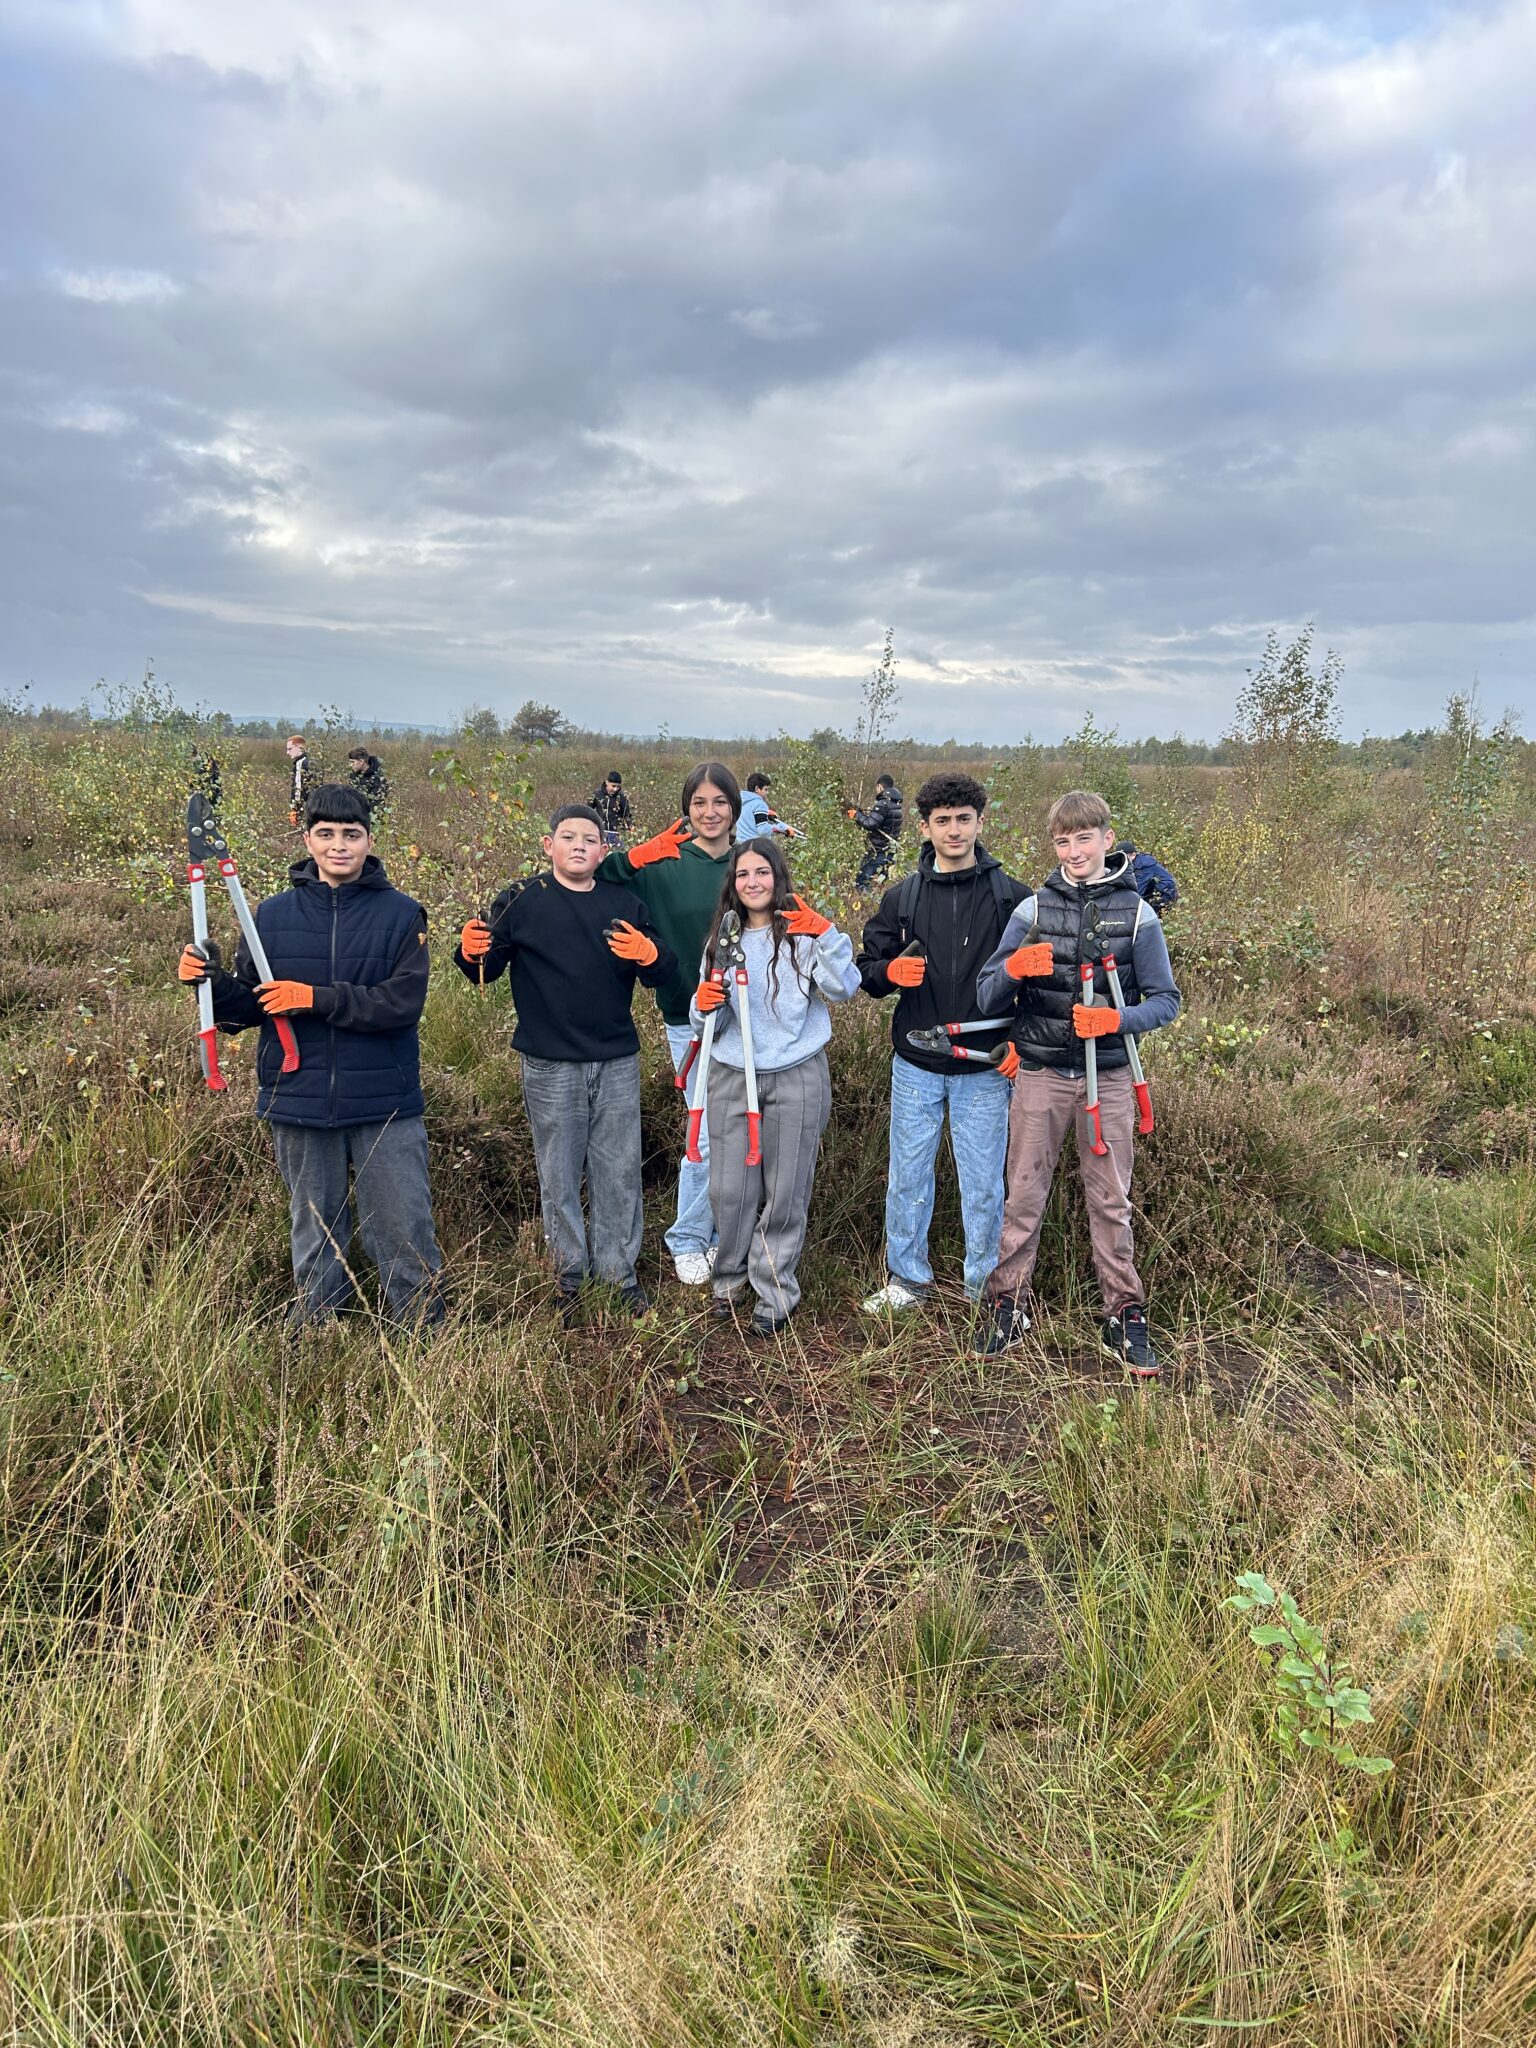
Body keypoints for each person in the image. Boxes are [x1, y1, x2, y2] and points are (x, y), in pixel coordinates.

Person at [177, 783, 443, 1333]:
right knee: (314, 1227)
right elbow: (251, 1007)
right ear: (307, 840)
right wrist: (210, 984)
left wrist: (316, 998)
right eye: (326, 834)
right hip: (298, 1096)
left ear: (369, 840)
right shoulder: (271, 917)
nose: (338, 845)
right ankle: (318, 1332)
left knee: (402, 1225)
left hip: (384, 1101)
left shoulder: (401, 915)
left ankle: (424, 1333)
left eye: (351, 834)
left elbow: (401, 1004)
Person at [972, 789, 1180, 1372]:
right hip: (1039, 1075)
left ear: (1107, 839)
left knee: (1111, 1201)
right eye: (1062, 841)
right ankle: (1009, 1304)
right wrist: (1014, 968)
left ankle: (1124, 1313)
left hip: (1107, 1079)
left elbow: (1166, 1001)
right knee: (1023, 1196)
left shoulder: (1138, 914)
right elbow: (987, 994)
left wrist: (1117, 1020)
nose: (1073, 851)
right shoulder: (1032, 911)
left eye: (1084, 838)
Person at [454, 805, 675, 1322]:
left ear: (603, 851)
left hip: (615, 1059)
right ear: (548, 845)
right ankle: (568, 1276)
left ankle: (618, 1274)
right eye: (568, 837)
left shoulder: (624, 902)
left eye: (590, 839)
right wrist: (469, 950)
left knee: (618, 1170)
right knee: (558, 1172)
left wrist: (649, 953)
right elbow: (485, 964)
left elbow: (663, 969)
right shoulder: (522, 899)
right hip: (550, 1063)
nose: (579, 845)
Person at [856, 772, 1030, 1313]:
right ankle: (907, 1280)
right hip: (916, 1064)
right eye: (942, 820)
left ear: (980, 821)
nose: (954, 830)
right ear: (925, 827)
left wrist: (1021, 1041)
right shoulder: (901, 899)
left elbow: (1043, 984)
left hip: (986, 1067)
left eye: (963, 819)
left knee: (984, 1184)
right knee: (908, 1176)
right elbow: (867, 971)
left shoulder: (1014, 900)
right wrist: (890, 972)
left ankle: (987, 1289)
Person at [689, 839, 859, 1335]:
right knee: (730, 1189)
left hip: (796, 1073)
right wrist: (703, 1004)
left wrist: (826, 933)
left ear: (777, 877)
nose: (753, 882)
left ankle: (775, 1291)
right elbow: (709, 1022)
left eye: (762, 872)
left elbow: (844, 987)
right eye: (743, 874)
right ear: (733, 883)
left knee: (785, 1189)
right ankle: (728, 1281)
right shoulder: (722, 940)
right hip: (731, 1074)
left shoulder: (802, 934)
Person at [597, 762, 742, 1286]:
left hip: (747, 1023)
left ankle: (726, 1233)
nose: (709, 812)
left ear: (734, 809)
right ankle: (689, 1237)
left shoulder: (747, 863)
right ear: (686, 809)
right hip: (687, 1016)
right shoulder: (663, 863)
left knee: (738, 1129)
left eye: (719, 802)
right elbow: (598, 876)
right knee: (704, 1131)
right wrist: (636, 855)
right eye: (699, 802)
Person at [850, 773, 904, 888]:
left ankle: (865, 899)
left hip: (878, 850)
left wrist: (856, 815)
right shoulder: (896, 804)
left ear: (880, 786)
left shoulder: (883, 803)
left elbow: (871, 824)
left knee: (861, 881)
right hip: (890, 851)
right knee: (882, 885)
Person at [736, 772, 795, 842]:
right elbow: (763, 830)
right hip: (755, 845)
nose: (767, 793)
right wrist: (784, 828)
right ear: (757, 789)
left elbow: (751, 818)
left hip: (741, 844)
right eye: (765, 789)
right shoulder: (759, 804)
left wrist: (766, 813)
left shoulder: (742, 802)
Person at [590, 770, 633, 846]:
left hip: (616, 833)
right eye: (613, 786)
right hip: (601, 832)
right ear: (607, 783)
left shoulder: (622, 797)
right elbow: (588, 810)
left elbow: (627, 816)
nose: (615, 789)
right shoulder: (597, 795)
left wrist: (630, 828)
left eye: (618, 787)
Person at [347, 746, 391, 812]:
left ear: (361, 761)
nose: (350, 765)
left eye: (353, 762)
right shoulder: (353, 775)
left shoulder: (378, 778)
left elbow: (377, 806)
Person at [285, 735, 311, 826]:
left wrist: (295, 809)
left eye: (290, 749)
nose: (288, 752)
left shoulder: (301, 764)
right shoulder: (310, 762)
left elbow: (298, 789)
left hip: (304, 808)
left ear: (299, 747)